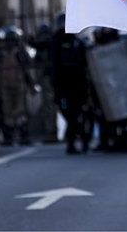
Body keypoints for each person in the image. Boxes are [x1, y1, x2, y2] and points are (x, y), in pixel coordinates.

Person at [0, 26, 39, 145]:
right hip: (12, 86)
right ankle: (15, 137)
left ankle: (14, 137)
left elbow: (27, 70)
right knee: (13, 112)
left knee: (15, 112)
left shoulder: (11, 54)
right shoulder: (6, 54)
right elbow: (28, 70)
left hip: (16, 86)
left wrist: (31, 84)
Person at [52, 19, 91, 154]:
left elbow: (85, 63)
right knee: (69, 115)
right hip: (64, 85)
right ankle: (72, 141)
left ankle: (82, 141)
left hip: (78, 84)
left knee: (80, 114)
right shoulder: (56, 43)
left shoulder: (78, 43)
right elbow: (54, 65)